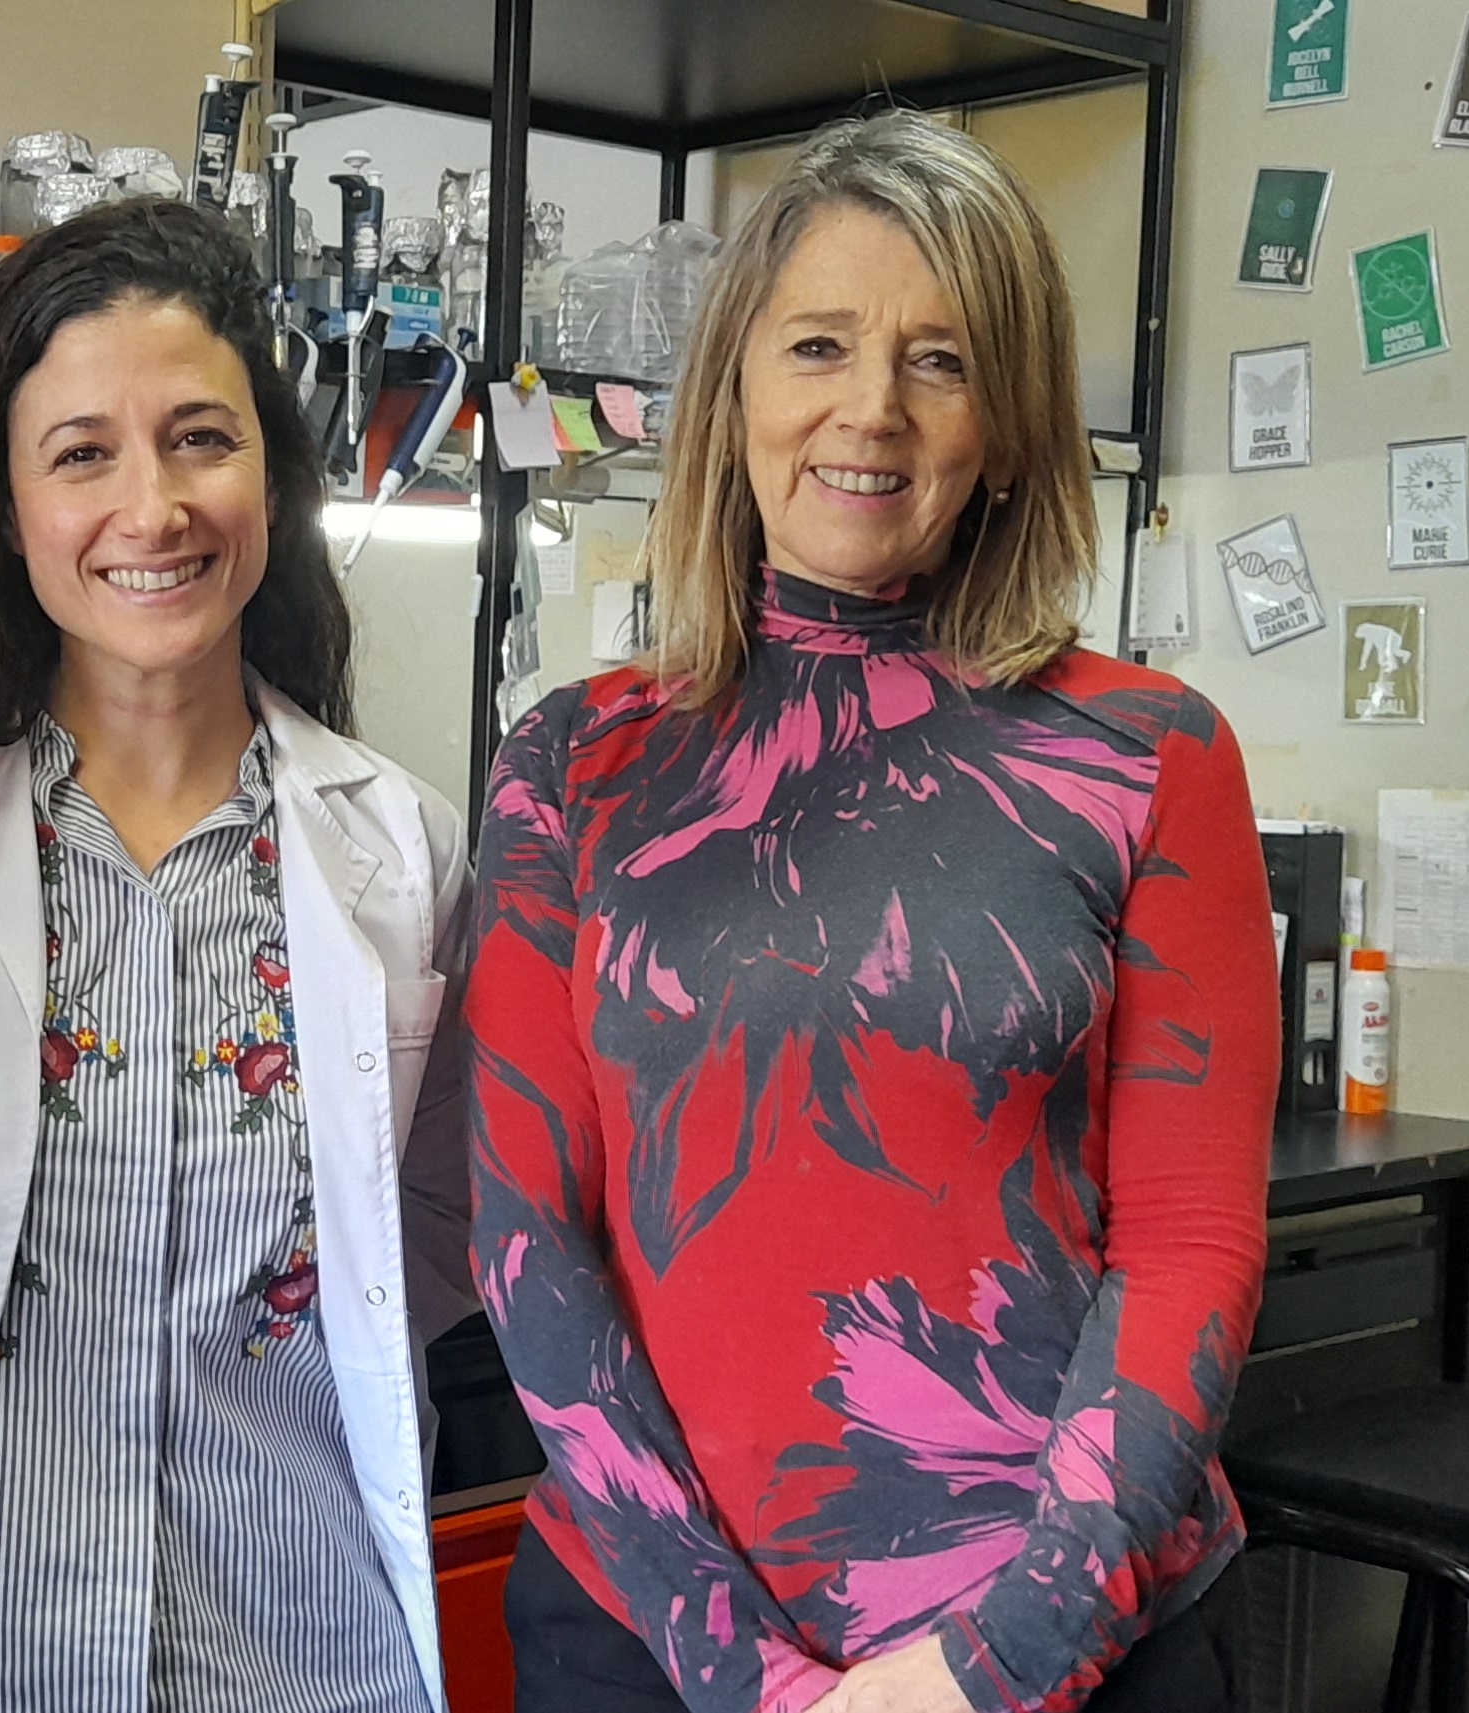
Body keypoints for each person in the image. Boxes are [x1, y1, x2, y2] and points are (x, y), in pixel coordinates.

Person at [468, 111, 1276, 1713]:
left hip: (1073, 1642)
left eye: (940, 360)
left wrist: (1000, 1659)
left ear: (1009, 425)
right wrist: (748, 1674)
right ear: (735, 391)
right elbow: (525, 1233)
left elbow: (1190, 1241)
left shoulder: (1151, 754)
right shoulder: (570, 762)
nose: (871, 409)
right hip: (647, 1642)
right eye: (819, 345)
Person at [0, 197, 481, 1713]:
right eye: (83, 454)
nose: (155, 507)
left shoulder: (402, 848)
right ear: (4, 504)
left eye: (201, 439)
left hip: (310, 1651)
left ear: (272, 474)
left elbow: (444, 1228)